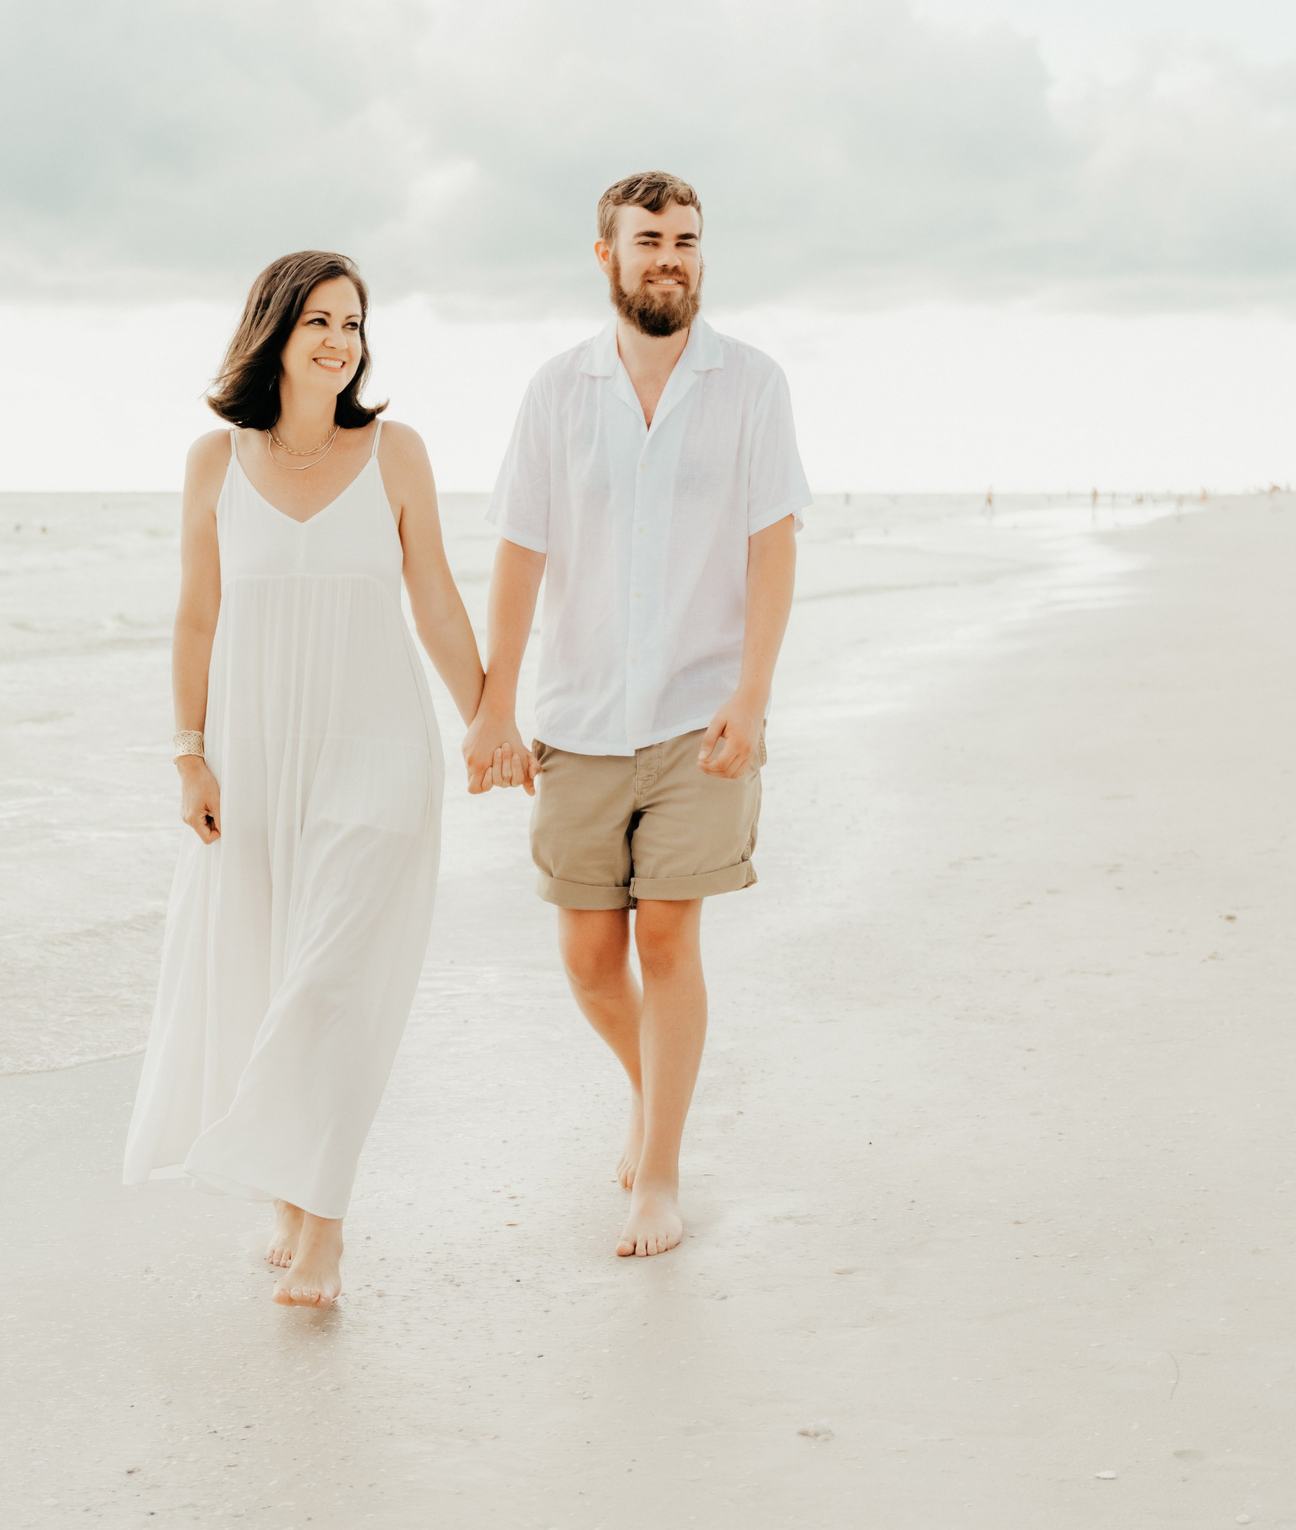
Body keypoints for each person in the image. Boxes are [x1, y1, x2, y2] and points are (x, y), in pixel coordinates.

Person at [122, 251, 490, 1308]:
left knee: (328, 984)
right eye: (319, 320)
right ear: (274, 332)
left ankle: (323, 1227)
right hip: (255, 761)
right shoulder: (213, 462)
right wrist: (186, 751)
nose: (340, 340)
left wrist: (488, 722)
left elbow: (435, 599)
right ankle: (284, 1192)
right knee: (271, 980)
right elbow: (197, 615)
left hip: (377, 755)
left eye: (353, 323)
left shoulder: (396, 453)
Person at [464, 171, 812, 1259]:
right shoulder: (556, 390)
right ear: (606, 254)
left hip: (698, 709)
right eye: (649, 237)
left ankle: (657, 1172)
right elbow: (521, 550)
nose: (672, 254)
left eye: (688, 239)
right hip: (576, 713)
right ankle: (653, 1092)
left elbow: (772, 545)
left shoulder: (750, 383)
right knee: (583, 954)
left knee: (666, 934)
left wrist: (751, 696)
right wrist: (495, 707)